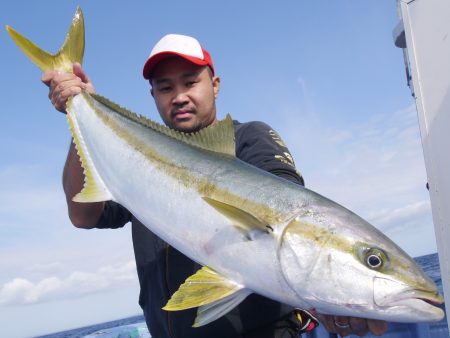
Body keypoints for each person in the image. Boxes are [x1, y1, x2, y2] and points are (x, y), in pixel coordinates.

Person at [42, 34, 388, 338]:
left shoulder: (250, 138)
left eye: (190, 82)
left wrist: (325, 291)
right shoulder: (132, 161)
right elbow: (84, 215)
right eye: (165, 87)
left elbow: (289, 213)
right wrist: (79, 112)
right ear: (153, 95)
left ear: (215, 84)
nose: (178, 96)